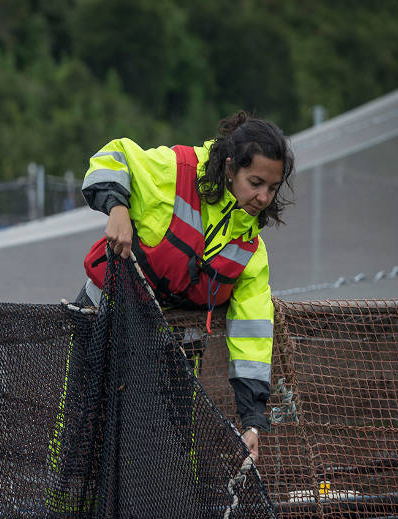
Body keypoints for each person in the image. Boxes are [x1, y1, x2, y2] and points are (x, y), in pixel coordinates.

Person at [77, 111, 294, 462]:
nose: (264, 197)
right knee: (84, 432)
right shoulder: (174, 171)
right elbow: (112, 155)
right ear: (229, 168)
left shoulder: (251, 251)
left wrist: (252, 422)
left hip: (176, 348)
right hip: (104, 319)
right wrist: (116, 208)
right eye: (255, 183)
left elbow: (252, 334)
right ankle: (65, 512)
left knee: (174, 451)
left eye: (272, 187)